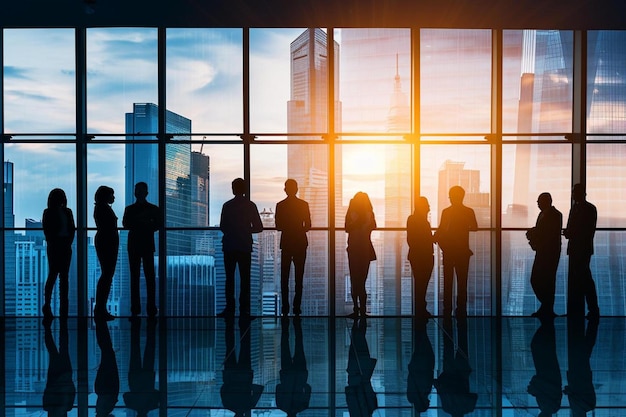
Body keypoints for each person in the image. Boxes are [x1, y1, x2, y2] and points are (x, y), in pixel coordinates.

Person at [218, 178, 263, 318]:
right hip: (244, 246)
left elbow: (222, 226)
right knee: (245, 279)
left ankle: (229, 308)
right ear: (244, 189)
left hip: (230, 245)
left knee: (229, 279)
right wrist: (246, 230)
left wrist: (233, 231)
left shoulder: (227, 206)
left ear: (233, 189)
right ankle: (245, 309)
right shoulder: (250, 206)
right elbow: (259, 227)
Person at [434, 186, 477, 317]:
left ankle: (448, 309)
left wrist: (437, 236)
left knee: (448, 281)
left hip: (449, 250)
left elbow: (441, 228)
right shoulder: (468, 211)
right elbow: (474, 227)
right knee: (462, 281)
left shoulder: (446, 212)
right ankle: (460, 309)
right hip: (462, 251)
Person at [122, 182, 162, 318]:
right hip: (146, 244)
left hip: (135, 244)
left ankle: (136, 308)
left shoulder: (130, 209)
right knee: (149, 277)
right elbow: (156, 225)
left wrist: (138, 222)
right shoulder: (153, 209)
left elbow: (127, 224)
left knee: (136, 277)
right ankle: (150, 308)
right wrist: (146, 223)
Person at [275, 179, 311, 317]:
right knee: (299, 277)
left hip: (287, 243)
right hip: (300, 242)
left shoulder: (280, 205)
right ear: (296, 189)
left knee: (284, 277)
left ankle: (285, 307)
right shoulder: (303, 205)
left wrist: (288, 227)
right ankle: (297, 307)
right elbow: (308, 225)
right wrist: (298, 228)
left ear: (285, 189)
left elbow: (278, 226)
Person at [564, 184, 599, 320]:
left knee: (583, 279)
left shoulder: (581, 209)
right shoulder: (585, 208)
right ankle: (588, 309)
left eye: (574, 192)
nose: (572, 194)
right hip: (578, 248)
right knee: (582, 279)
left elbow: (583, 230)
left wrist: (569, 233)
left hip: (580, 248)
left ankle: (592, 309)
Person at [526, 192, 562, 319]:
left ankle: (546, 307)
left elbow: (548, 234)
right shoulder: (548, 214)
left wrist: (534, 236)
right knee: (544, 280)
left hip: (549, 253)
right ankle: (546, 307)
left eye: (539, 201)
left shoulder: (554, 215)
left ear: (546, 201)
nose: (537, 204)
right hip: (545, 251)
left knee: (541, 279)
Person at [42, 188, 76, 319]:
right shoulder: (50, 212)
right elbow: (48, 231)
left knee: (62, 277)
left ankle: (62, 307)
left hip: (64, 246)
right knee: (54, 276)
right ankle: (49, 305)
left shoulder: (67, 212)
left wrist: (67, 242)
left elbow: (72, 229)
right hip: (56, 246)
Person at [345, 192, 377, 318]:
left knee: (355, 280)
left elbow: (347, 228)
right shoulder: (369, 215)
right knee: (361, 281)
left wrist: (356, 221)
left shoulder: (352, 214)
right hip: (364, 250)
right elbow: (372, 227)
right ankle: (362, 310)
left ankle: (356, 309)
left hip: (354, 249)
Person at [276, 317, 311, 417]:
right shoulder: (282, 406)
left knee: (299, 344)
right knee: (285, 345)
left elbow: (308, 388)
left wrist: (301, 384)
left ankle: (296, 323)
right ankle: (286, 324)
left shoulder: (302, 406)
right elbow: (278, 388)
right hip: (287, 375)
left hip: (300, 374)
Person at [124, 318, 159, 417]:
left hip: (147, 377)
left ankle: (151, 324)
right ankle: (136, 324)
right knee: (135, 347)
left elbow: (157, 393)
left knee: (150, 347)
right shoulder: (131, 405)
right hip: (135, 377)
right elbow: (126, 395)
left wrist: (147, 392)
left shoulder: (153, 405)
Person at [93, 186, 119, 321]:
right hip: (107, 243)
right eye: (112, 194)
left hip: (106, 242)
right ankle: (100, 308)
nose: (113, 197)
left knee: (106, 275)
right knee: (107, 276)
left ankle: (100, 308)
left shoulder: (101, 208)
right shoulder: (103, 209)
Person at [407, 196, 435, 318]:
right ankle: (421, 309)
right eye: (427, 205)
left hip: (420, 256)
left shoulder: (415, 220)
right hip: (423, 256)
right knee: (422, 284)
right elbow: (415, 239)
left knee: (421, 284)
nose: (429, 207)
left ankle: (421, 309)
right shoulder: (417, 221)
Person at [42, 319, 75, 417]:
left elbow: (72, 391)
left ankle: (58, 323)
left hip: (63, 377)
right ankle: (47, 326)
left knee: (62, 347)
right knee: (53, 349)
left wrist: (68, 380)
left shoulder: (67, 407)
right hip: (57, 378)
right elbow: (47, 393)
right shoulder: (48, 407)